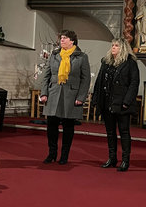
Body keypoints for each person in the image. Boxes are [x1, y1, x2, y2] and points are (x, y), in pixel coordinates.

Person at [40, 30, 90, 165]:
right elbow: (46, 76)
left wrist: (81, 97)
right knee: (51, 125)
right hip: (54, 93)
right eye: (61, 38)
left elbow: (85, 80)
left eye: (65, 38)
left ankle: (64, 155)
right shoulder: (55, 55)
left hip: (71, 95)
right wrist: (44, 93)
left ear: (72, 41)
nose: (62, 40)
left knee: (68, 126)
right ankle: (52, 153)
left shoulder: (81, 57)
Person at [92, 38, 140, 172]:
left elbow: (134, 83)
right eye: (112, 45)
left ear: (123, 48)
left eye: (116, 46)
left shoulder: (130, 63)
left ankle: (125, 160)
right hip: (107, 102)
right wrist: (96, 98)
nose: (113, 48)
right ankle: (112, 158)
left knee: (124, 132)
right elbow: (99, 81)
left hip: (122, 103)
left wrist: (127, 101)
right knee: (110, 132)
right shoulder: (106, 62)